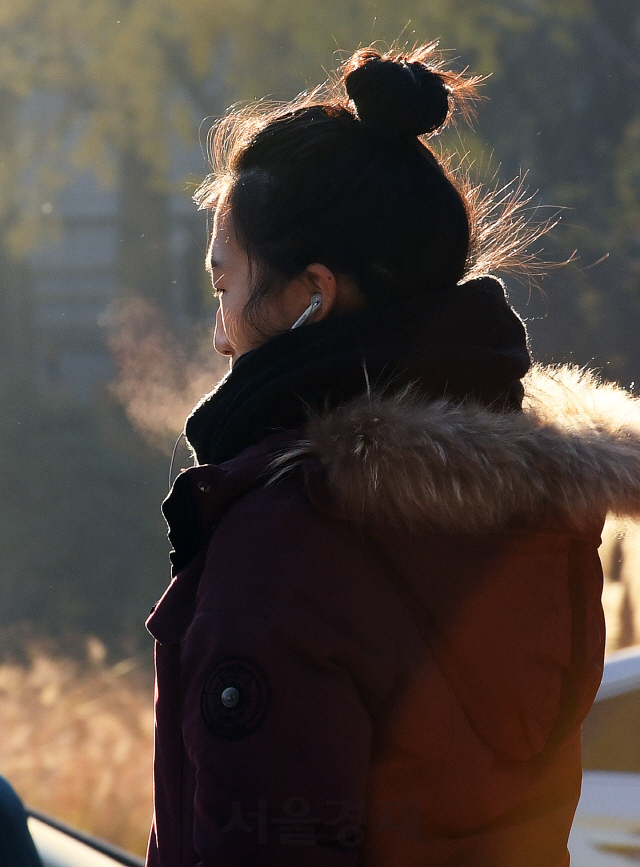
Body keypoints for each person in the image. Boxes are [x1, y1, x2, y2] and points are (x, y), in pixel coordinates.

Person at [145, 44, 640, 867]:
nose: (218, 330)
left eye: (223, 286)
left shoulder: (285, 542)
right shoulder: (548, 519)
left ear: (311, 296)